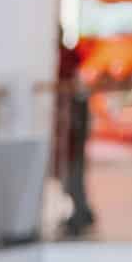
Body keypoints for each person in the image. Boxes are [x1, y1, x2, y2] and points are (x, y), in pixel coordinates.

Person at [53, 29, 94, 237]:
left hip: (73, 124)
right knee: (70, 171)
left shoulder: (64, 58)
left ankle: (81, 213)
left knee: (73, 170)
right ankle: (82, 211)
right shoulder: (62, 57)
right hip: (67, 128)